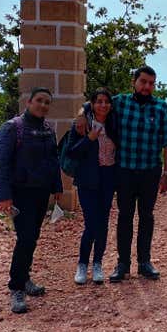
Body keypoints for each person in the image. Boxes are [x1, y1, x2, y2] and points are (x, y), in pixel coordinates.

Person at [0, 87, 63, 314]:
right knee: (26, 238)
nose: (43, 105)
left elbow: (53, 161)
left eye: (47, 102)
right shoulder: (13, 128)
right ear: (29, 101)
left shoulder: (47, 130)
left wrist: (57, 187)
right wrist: (3, 196)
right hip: (20, 193)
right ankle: (16, 288)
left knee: (32, 238)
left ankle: (25, 278)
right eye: (39, 100)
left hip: (41, 193)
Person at [109, 66, 167, 282]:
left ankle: (144, 262)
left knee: (147, 216)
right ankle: (123, 263)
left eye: (151, 83)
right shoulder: (119, 102)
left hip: (150, 171)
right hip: (124, 169)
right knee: (125, 216)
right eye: (143, 82)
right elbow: (93, 105)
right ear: (134, 82)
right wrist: (81, 117)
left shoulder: (161, 107)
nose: (147, 87)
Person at [67, 88, 119, 285]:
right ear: (92, 104)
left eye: (106, 101)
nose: (103, 105)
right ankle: (82, 264)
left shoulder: (114, 123)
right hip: (88, 179)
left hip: (108, 177)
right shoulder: (82, 125)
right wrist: (89, 139)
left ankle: (97, 263)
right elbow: (72, 152)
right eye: (99, 101)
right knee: (91, 223)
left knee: (103, 222)